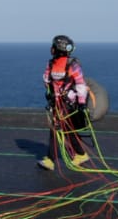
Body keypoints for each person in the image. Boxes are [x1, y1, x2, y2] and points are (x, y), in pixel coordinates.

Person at [38, 34, 90, 170]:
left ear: (55, 49)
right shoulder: (69, 65)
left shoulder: (61, 64)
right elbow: (80, 85)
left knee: (59, 130)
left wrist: (81, 103)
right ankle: (79, 154)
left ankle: (51, 160)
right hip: (60, 103)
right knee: (66, 130)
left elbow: (80, 85)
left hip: (67, 104)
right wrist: (81, 102)